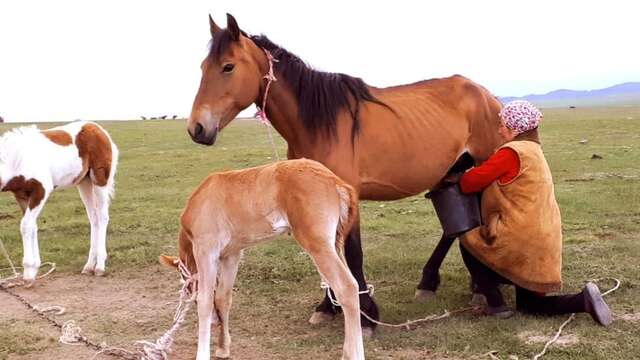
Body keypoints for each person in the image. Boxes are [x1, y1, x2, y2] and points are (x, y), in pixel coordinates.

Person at [453, 100, 612, 325]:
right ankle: (582, 301)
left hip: (520, 240)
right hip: (543, 245)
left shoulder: (510, 152)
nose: (499, 130)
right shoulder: (534, 150)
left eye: (503, 125)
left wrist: (459, 173)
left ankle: (496, 304)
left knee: (468, 241)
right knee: (531, 306)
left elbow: (470, 183)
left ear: (515, 129)